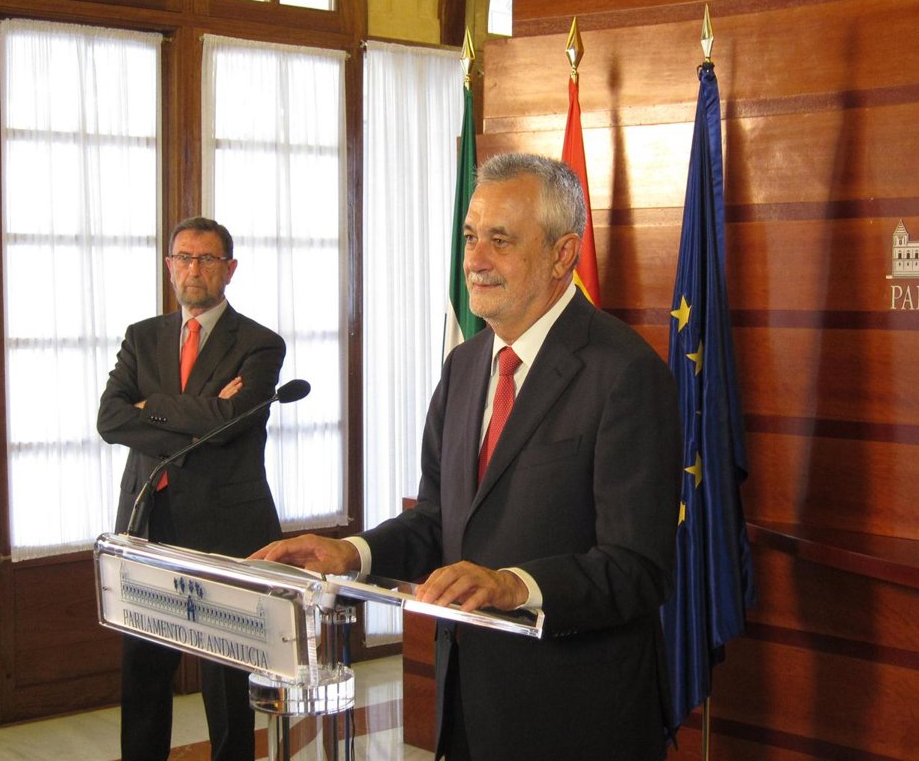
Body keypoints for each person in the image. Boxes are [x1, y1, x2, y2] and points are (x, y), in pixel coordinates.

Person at [252, 154, 681, 761]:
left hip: (578, 715)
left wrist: (513, 585)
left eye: (500, 241)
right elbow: (439, 520)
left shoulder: (625, 373)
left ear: (563, 254)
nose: (475, 260)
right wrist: (352, 554)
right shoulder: (465, 365)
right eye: (471, 237)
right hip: (469, 705)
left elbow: (637, 568)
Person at [98, 216, 285, 761]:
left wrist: (151, 408)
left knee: (226, 677)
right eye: (183, 257)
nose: (193, 269)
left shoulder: (259, 343)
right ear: (169, 266)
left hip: (224, 524)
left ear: (230, 269)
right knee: (143, 669)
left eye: (206, 259)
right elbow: (110, 419)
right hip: (148, 517)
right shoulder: (142, 336)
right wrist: (200, 410)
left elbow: (232, 422)